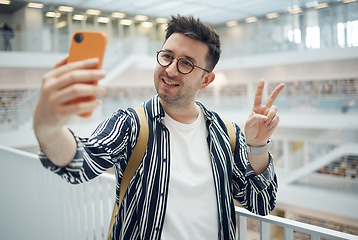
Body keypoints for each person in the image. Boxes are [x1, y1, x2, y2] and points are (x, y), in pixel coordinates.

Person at [34, 15, 285, 240]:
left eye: (186, 63)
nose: (170, 69)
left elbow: (260, 203)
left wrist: (258, 145)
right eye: (167, 56)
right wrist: (48, 128)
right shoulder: (131, 124)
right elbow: (79, 163)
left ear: (206, 79)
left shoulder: (226, 133)